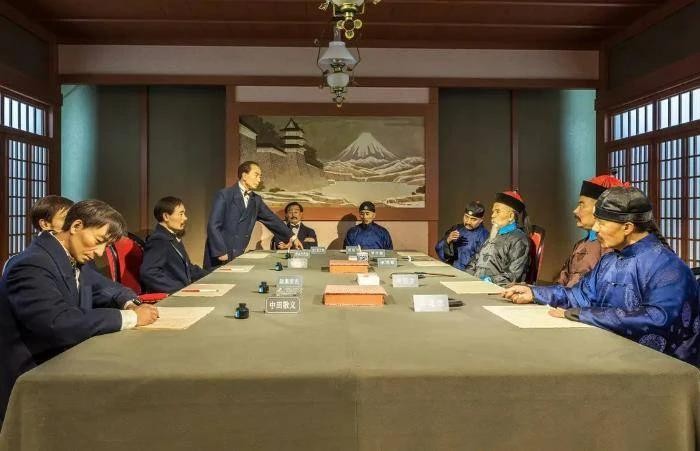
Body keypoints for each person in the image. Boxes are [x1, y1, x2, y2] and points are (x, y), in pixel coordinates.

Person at [0, 200, 159, 423]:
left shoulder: (70, 256)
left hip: (63, 362)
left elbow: (105, 288)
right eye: (99, 241)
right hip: (31, 377)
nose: (100, 252)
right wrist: (131, 317)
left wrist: (130, 304)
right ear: (76, 226)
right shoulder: (31, 264)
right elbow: (58, 323)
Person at [503, 187, 700, 364]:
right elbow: (580, 295)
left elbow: (658, 319)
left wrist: (583, 315)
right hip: (613, 356)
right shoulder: (610, 260)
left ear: (627, 227)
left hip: (663, 367)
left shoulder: (667, 266)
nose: (595, 228)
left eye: (602, 223)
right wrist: (535, 293)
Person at [204, 161, 303, 269]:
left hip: (237, 255)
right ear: (244, 176)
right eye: (256, 175)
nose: (259, 180)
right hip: (219, 255)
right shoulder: (225, 195)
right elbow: (213, 225)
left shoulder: (256, 200)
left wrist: (293, 237)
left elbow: (272, 219)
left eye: (260, 176)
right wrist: (220, 252)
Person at [556, 174, 627, 287]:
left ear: (599, 210)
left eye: (582, 205)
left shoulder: (610, 247)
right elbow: (562, 279)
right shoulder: (580, 244)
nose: (575, 211)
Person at [140, 197, 208, 293]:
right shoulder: (158, 240)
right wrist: (179, 289)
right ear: (166, 217)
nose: (185, 218)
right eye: (181, 214)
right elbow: (149, 272)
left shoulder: (171, 237)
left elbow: (188, 269)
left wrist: (213, 275)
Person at [465, 191, 530, 286]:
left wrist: (488, 281)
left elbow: (513, 275)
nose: (492, 215)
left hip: (495, 288)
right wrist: (468, 276)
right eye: (493, 211)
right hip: (476, 284)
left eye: (497, 211)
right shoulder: (494, 234)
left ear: (511, 216)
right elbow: (476, 259)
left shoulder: (519, 239)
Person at [435, 201, 489, 270]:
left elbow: (483, 262)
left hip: (470, 274)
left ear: (481, 220)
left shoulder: (484, 236)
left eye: (473, 219)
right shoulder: (457, 228)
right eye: (466, 217)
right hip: (453, 270)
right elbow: (439, 249)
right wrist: (448, 240)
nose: (468, 222)